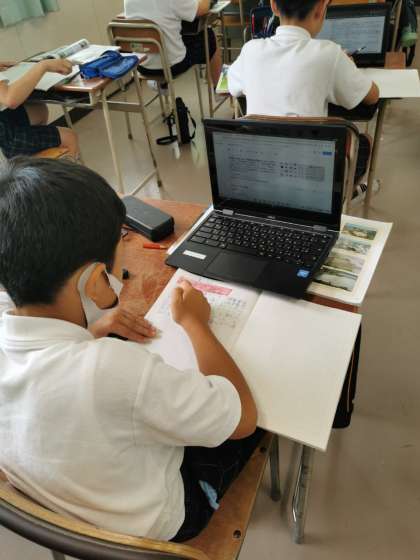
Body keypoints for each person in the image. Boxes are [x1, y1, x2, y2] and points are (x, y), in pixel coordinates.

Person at [0, 158, 259, 542]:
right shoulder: (115, 371)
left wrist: (93, 329)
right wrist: (194, 322)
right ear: (93, 281)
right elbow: (242, 418)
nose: (120, 276)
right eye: (118, 265)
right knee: (262, 414)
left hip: (57, 501)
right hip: (159, 522)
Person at [228, 0, 380, 188]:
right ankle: (349, 192)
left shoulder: (250, 50)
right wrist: (348, 66)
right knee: (364, 142)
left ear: (273, 5)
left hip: (260, 171)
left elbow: (232, 87)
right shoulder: (330, 54)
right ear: (321, 8)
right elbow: (372, 96)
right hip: (312, 174)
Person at [124, 0, 222, 86]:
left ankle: (160, 84)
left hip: (141, 65)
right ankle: (218, 88)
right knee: (208, 35)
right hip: (172, 67)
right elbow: (202, 9)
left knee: (172, 34)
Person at [0, 60, 79, 159]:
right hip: (8, 136)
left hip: (5, 121)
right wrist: (43, 66)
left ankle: (36, 159)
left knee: (38, 110)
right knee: (69, 137)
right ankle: (27, 162)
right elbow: (10, 100)